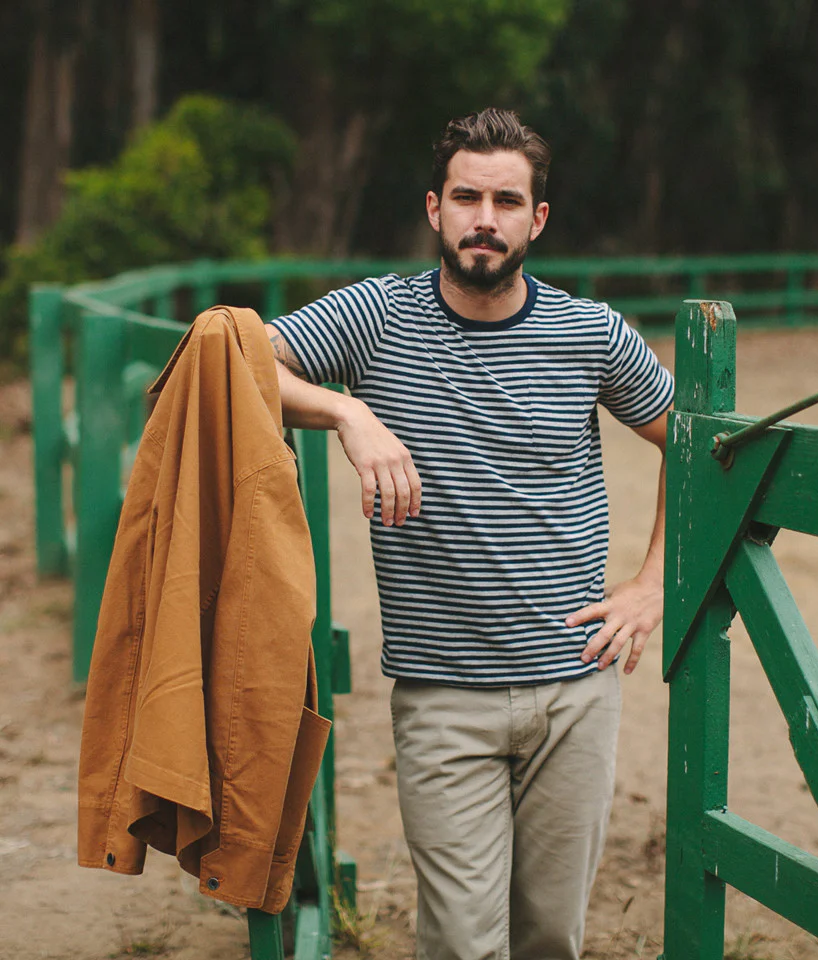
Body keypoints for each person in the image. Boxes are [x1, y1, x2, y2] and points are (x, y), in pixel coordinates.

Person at [265, 107, 674, 960]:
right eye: (466, 198)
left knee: (551, 940)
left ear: (538, 218)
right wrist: (348, 412)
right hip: (443, 696)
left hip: (577, 687)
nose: (484, 219)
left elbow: (698, 444)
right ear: (434, 209)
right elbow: (233, 361)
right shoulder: (374, 318)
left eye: (506, 201)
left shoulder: (588, 332)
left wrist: (650, 585)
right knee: (458, 945)